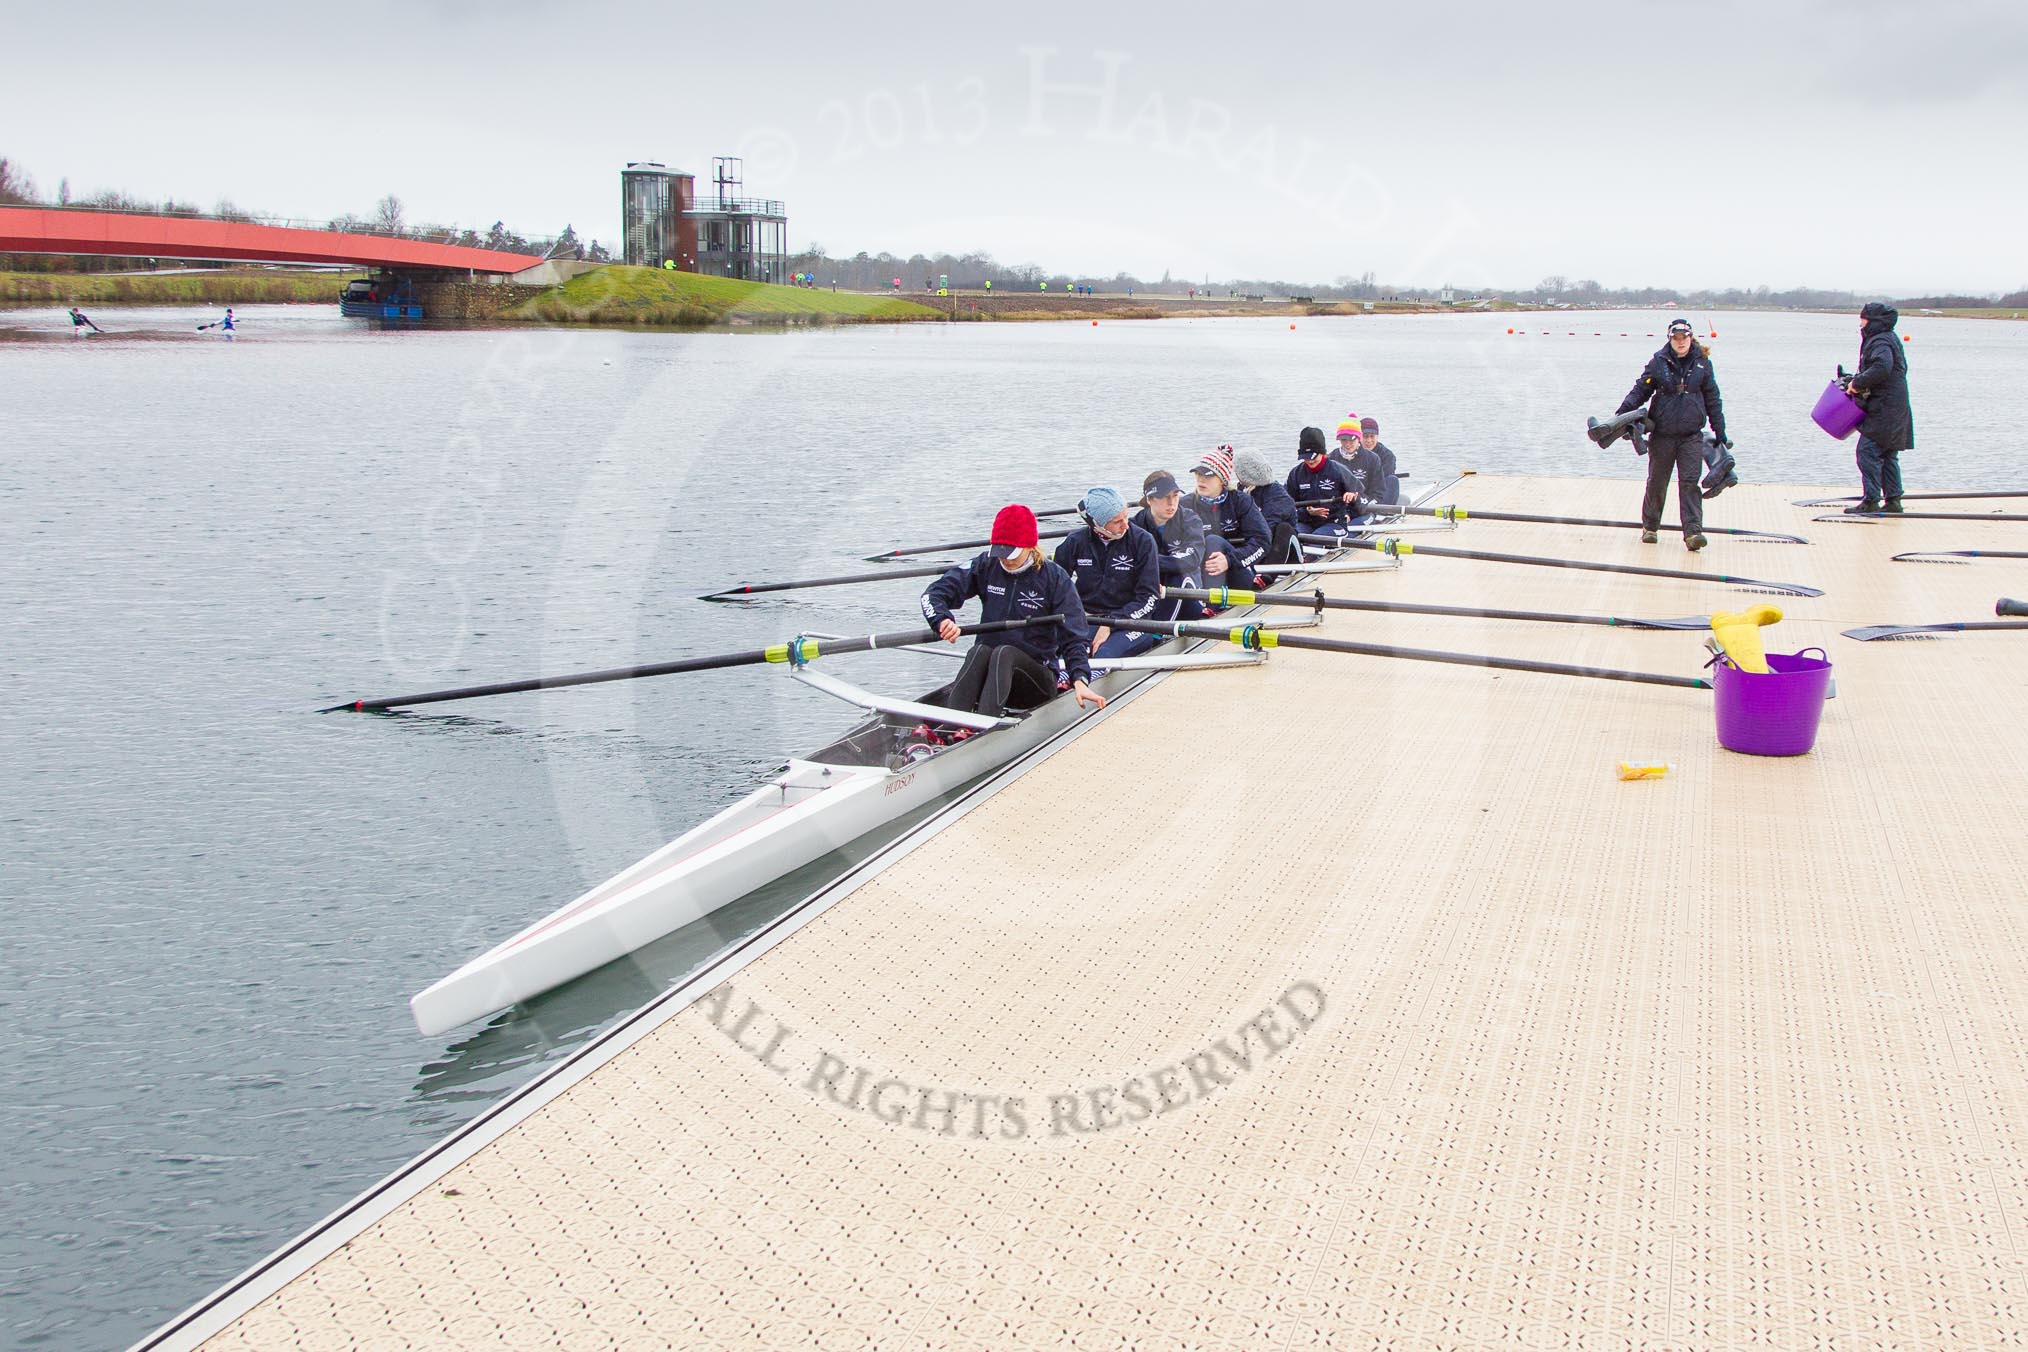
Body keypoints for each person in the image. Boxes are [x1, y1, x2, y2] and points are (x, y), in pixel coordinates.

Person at [921, 504, 1104, 717]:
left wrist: (1080, 679)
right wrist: (942, 620)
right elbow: (933, 594)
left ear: (1030, 545)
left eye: (1011, 553)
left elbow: (1075, 637)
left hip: (1037, 681)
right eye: (1000, 552)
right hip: (993, 678)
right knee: (979, 651)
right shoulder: (986, 565)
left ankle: (981, 728)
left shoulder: (1055, 579)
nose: (1005, 559)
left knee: (1003, 652)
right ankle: (951, 725)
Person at [1614, 317, 1727, 550]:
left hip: (1691, 436)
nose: (1680, 342)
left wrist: (1720, 429)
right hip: (1663, 435)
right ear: (1670, 339)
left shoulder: (1703, 363)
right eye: (1676, 338)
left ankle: (1693, 533)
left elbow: (1713, 399)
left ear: (1690, 338)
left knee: (1689, 483)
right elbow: (1640, 391)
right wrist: (1620, 416)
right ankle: (1651, 527)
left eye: (1684, 337)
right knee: (1657, 482)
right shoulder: (1658, 362)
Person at [1054, 486, 1161, 659]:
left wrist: (1111, 624)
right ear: (1097, 524)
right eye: (1117, 521)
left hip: (1131, 622)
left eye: (1126, 516)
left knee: (1103, 653)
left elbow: (1149, 597)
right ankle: (1065, 681)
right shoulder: (1075, 542)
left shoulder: (1142, 541)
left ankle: (1084, 681)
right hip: (1089, 619)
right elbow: (1054, 590)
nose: (1126, 525)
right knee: (1065, 653)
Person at [1844, 302, 1914, 513]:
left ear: (1872, 321)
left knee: (1867, 452)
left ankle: (1871, 500)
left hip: (1884, 407)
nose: (1860, 323)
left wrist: (1857, 384)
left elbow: (1882, 367)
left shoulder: (1881, 340)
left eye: (1863, 319)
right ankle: (1893, 500)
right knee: (1888, 454)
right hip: (1895, 406)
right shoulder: (1888, 338)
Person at [1185, 446, 1271, 587]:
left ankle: (1211, 605)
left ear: (1222, 480)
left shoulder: (1240, 501)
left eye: (1208, 475)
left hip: (1237, 569)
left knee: (1212, 541)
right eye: (1198, 475)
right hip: (1200, 571)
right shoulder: (1185, 504)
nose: (1201, 480)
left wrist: (1229, 560)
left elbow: (1262, 541)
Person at [1132, 470, 1213, 620]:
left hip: (1189, 594)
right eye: (1164, 497)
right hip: (1152, 594)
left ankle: (1159, 634)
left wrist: (1147, 562)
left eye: (1175, 496)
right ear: (1149, 500)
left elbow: (1192, 559)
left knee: (1177, 574)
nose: (1172, 503)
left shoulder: (1190, 519)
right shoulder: (1134, 525)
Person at [1285, 426, 1361, 540]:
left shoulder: (1339, 470)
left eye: (1313, 457)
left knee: (1316, 538)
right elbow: (1288, 506)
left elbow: (1361, 499)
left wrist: (1352, 500)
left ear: (1322, 453)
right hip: (1306, 522)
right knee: (1289, 535)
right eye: (1306, 457)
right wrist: (1307, 512)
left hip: (1334, 523)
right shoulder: (1296, 474)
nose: (1310, 461)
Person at [1233, 449, 1302, 563]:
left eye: (1237, 472)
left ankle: (1266, 578)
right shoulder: (1242, 491)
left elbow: (1264, 529)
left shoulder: (1278, 495)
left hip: (1285, 551)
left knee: (1283, 528)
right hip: (1259, 549)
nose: (1236, 475)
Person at [1330, 419, 1385, 513]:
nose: (1347, 444)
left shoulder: (1373, 459)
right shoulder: (1331, 458)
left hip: (1364, 508)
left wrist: (1359, 501)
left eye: (1351, 440)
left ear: (1359, 438)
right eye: (1343, 440)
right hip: (1339, 510)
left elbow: (1378, 494)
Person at [1357, 417, 1401, 505]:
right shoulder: (1351, 452)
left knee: (1393, 480)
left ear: (1377, 436)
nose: (1369, 440)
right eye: (1365, 436)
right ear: (1358, 437)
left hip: (1376, 495)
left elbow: (1380, 483)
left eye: (1372, 436)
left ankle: (1382, 512)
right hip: (1357, 494)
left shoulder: (1387, 456)